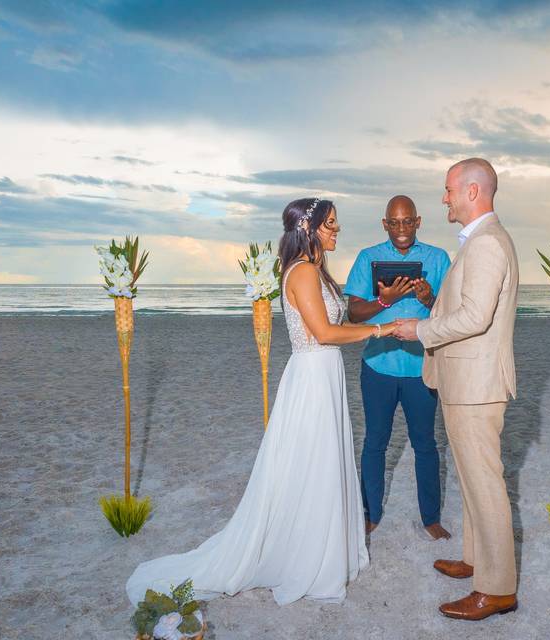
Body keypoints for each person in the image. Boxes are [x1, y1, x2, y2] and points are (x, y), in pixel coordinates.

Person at [126, 198, 397, 606]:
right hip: (311, 378)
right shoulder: (303, 273)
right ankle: (305, 559)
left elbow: (339, 323)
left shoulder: (318, 272)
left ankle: (322, 548)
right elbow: (324, 333)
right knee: (311, 463)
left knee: (320, 464)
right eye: (330, 224)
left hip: (325, 376)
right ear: (308, 229)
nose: (337, 230)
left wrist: (380, 304)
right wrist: (383, 329)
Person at [393, 158, 519, 621]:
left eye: (448, 189)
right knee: (470, 480)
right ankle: (474, 559)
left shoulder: (487, 244)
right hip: (467, 381)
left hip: (477, 385)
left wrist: (420, 330)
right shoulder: (480, 242)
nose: (443, 197)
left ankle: (497, 588)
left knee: (485, 484)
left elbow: (474, 317)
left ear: (472, 192)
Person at [343, 195, 452, 540]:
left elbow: (451, 315)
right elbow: (353, 314)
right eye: (395, 222)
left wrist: (429, 300)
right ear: (385, 224)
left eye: (408, 222)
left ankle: (430, 518)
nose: (402, 229)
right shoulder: (368, 257)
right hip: (378, 366)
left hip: (422, 367)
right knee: (375, 442)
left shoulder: (438, 258)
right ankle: (370, 514)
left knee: (426, 443)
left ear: (418, 222)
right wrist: (384, 300)